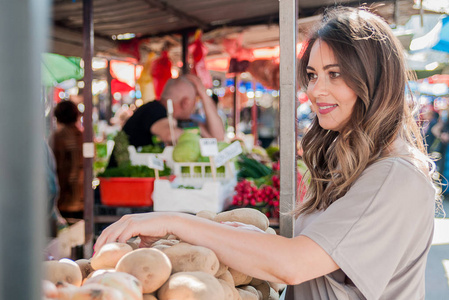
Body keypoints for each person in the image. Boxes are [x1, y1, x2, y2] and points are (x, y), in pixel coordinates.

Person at [94, 7, 439, 299]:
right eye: (313, 74)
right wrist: (203, 232)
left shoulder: (393, 176)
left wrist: (175, 220)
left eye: (335, 75)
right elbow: (318, 256)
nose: (316, 90)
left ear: (375, 80)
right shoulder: (356, 162)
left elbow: (293, 263)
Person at [107, 74, 225, 167]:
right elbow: (168, 134)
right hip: (117, 188)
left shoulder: (179, 119)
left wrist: (203, 94)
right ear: (186, 103)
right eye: (195, 102)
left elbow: (218, 137)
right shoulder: (153, 110)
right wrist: (202, 139)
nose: (194, 108)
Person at [49, 100, 84, 220]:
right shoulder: (83, 136)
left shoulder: (57, 137)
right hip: (82, 199)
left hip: (64, 200)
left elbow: (53, 168)